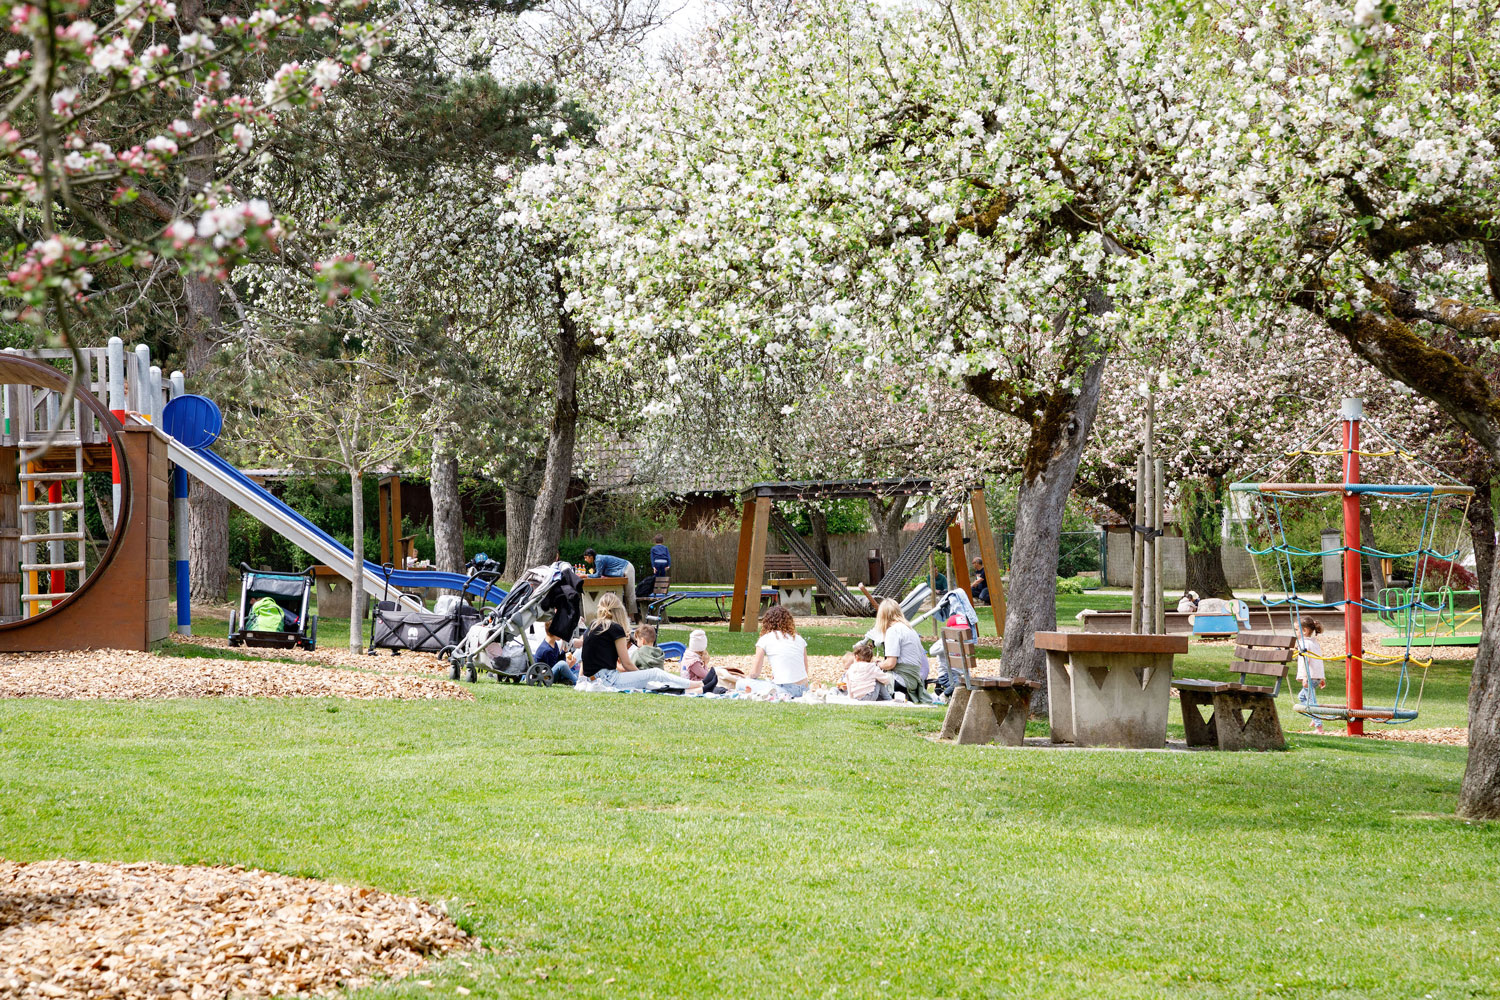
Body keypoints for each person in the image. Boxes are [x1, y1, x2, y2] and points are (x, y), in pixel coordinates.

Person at [577, 593, 695, 693]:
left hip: (591, 679)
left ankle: (692, 687)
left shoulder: (592, 625)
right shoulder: (615, 628)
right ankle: (697, 684)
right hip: (608, 679)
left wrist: (581, 680)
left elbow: (584, 658)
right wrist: (641, 677)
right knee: (655, 673)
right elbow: (627, 663)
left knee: (652, 682)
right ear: (619, 611)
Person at [875, 598, 935, 703]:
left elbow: (890, 663)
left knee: (867, 676)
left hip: (901, 680)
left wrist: (877, 665)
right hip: (913, 679)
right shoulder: (909, 629)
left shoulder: (892, 631)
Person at [748, 604, 810, 698]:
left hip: (785, 689)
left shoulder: (765, 639)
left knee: (741, 683)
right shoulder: (799, 639)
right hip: (804, 688)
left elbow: (755, 673)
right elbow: (805, 670)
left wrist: (747, 678)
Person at [583, 548, 638, 618]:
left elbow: (597, 575)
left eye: (586, 558)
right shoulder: (597, 560)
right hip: (622, 570)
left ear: (590, 556)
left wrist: (585, 575)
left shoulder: (598, 559)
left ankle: (632, 618)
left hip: (627, 568)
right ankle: (626, 616)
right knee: (623, 594)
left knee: (629, 593)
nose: (585, 560)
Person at [1296, 618, 1327, 734]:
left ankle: (1319, 726)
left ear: (1304, 631)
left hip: (1310, 677)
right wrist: (1322, 678)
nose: (1295, 632)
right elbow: (1319, 661)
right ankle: (1314, 717)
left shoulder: (1304, 644)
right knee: (1302, 697)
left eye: (1296, 629)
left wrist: (1305, 677)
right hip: (1316, 676)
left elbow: (1306, 661)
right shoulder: (1314, 643)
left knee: (1311, 702)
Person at [680, 628, 721, 693]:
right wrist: (705, 663)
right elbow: (706, 676)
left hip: (692, 683)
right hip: (693, 684)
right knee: (718, 685)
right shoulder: (693, 661)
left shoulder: (689, 655)